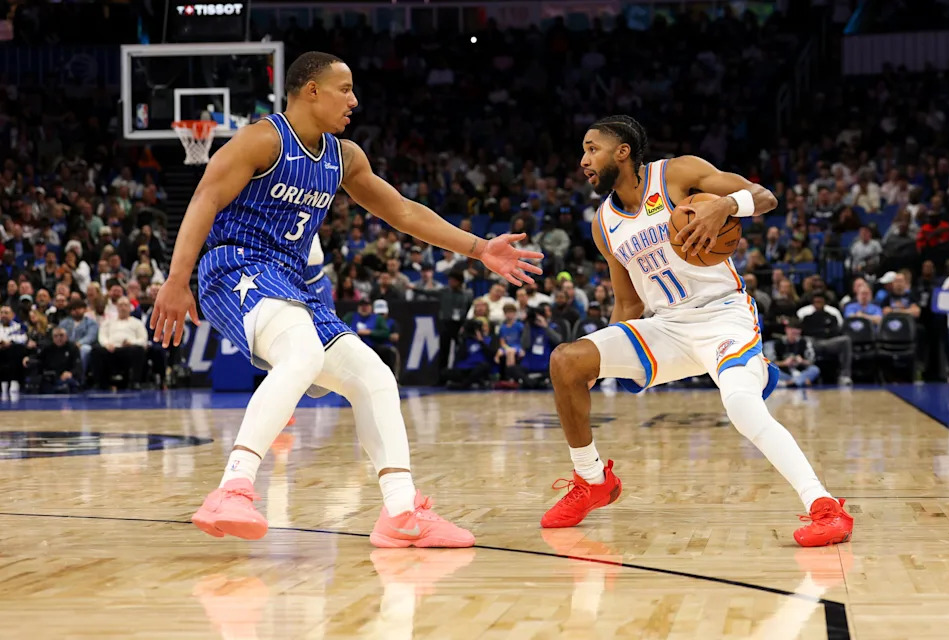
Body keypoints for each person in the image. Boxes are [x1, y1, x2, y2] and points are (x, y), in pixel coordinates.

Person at [150, 52, 542, 548]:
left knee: (374, 375)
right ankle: (233, 487)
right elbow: (205, 197)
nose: (354, 100)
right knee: (301, 352)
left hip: (291, 283)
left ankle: (401, 512)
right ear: (310, 90)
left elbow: (401, 211)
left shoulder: (344, 156)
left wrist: (480, 247)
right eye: (344, 88)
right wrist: (175, 279)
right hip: (234, 268)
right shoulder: (263, 138)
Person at [541, 115, 853, 547]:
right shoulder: (603, 224)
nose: (583, 160)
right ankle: (592, 480)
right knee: (566, 361)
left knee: (742, 408)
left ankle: (825, 507)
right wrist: (603, 362)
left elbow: (764, 198)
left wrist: (725, 205)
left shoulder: (677, 173)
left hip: (723, 314)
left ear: (622, 152)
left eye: (592, 148)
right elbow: (629, 303)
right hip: (665, 326)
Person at [774, 319, 820, 387]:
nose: (795, 336)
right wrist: (784, 363)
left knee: (815, 369)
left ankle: (789, 383)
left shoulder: (804, 342)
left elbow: (812, 361)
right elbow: (770, 362)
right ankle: (800, 381)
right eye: (793, 333)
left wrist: (802, 361)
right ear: (787, 330)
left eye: (797, 334)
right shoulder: (777, 343)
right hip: (785, 372)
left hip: (801, 371)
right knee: (771, 371)